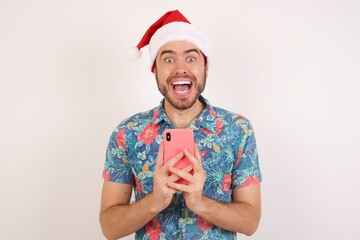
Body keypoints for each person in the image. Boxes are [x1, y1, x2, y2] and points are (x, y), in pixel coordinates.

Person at [100, 10, 262, 240]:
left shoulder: (238, 130)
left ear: (205, 68)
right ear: (155, 70)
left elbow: (250, 222)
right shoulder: (126, 133)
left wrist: (199, 203)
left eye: (191, 58)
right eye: (168, 59)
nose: (180, 69)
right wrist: (154, 201)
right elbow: (110, 228)